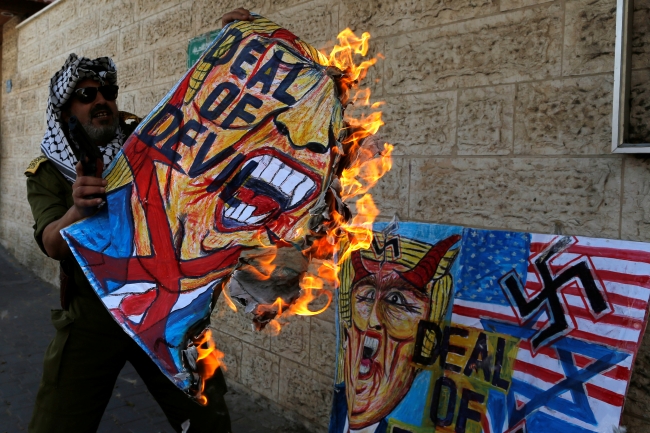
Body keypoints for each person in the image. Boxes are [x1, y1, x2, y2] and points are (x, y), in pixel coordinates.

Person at [24, 9, 253, 433]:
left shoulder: (141, 137)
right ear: (66, 109)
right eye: (87, 95)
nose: (101, 102)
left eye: (107, 91)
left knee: (208, 419)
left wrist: (233, 49)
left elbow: (202, 120)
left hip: (163, 309)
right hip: (93, 316)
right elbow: (51, 242)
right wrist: (78, 210)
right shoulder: (48, 170)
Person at [331, 232, 460, 433]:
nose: (373, 320)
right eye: (368, 295)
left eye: (396, 301)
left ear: (427, 342)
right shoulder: (340, 406)